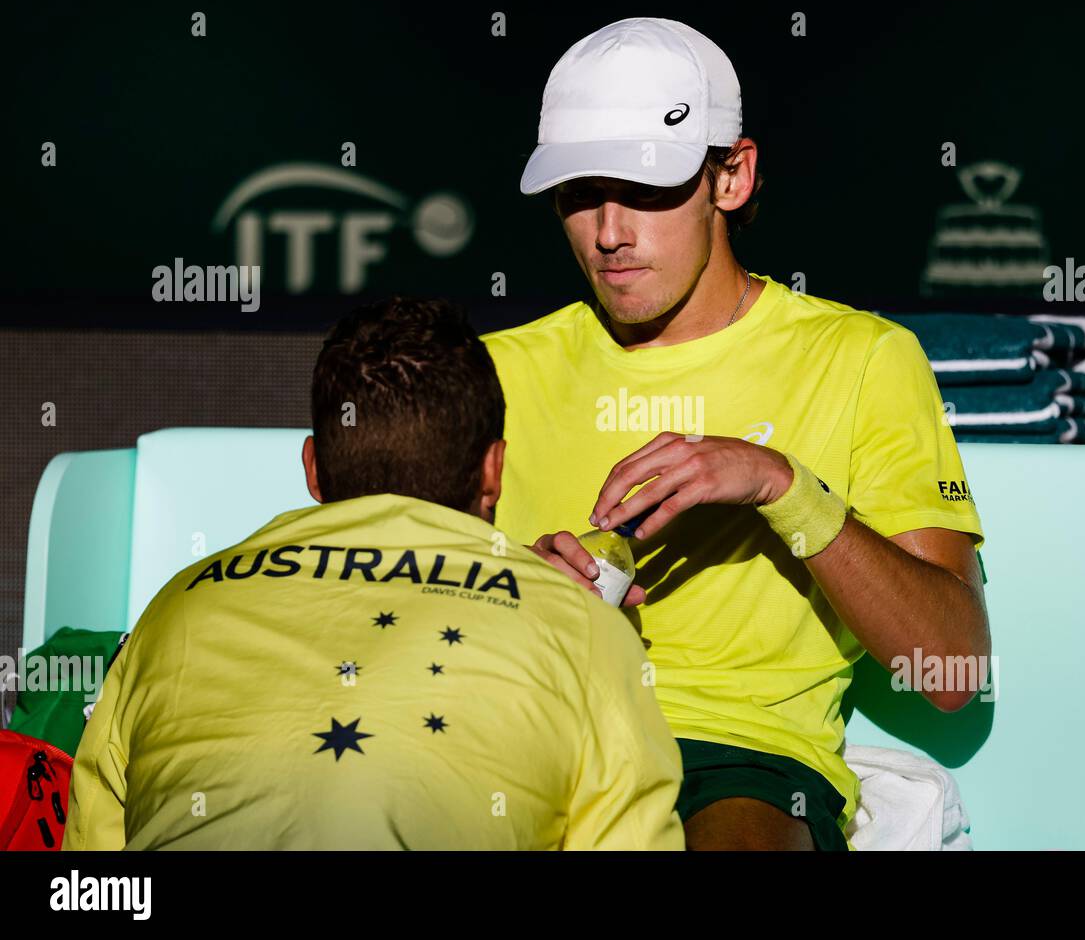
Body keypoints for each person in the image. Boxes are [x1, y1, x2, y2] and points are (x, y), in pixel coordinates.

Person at [482, 18, 991, 851]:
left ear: (732, 176)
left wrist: (781, 486)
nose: (609, 232)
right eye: (580, 193)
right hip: (516, 733)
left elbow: (954, 674)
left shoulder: (863, 357)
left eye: (645, 188)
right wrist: (505, 593)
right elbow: (380, 620)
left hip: (738, 757)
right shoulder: (495, 370)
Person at [63, 297, 685, 850]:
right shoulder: (586, 632)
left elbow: (90, 872)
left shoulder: (174, 608)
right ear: (494, 471)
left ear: (312, 467)